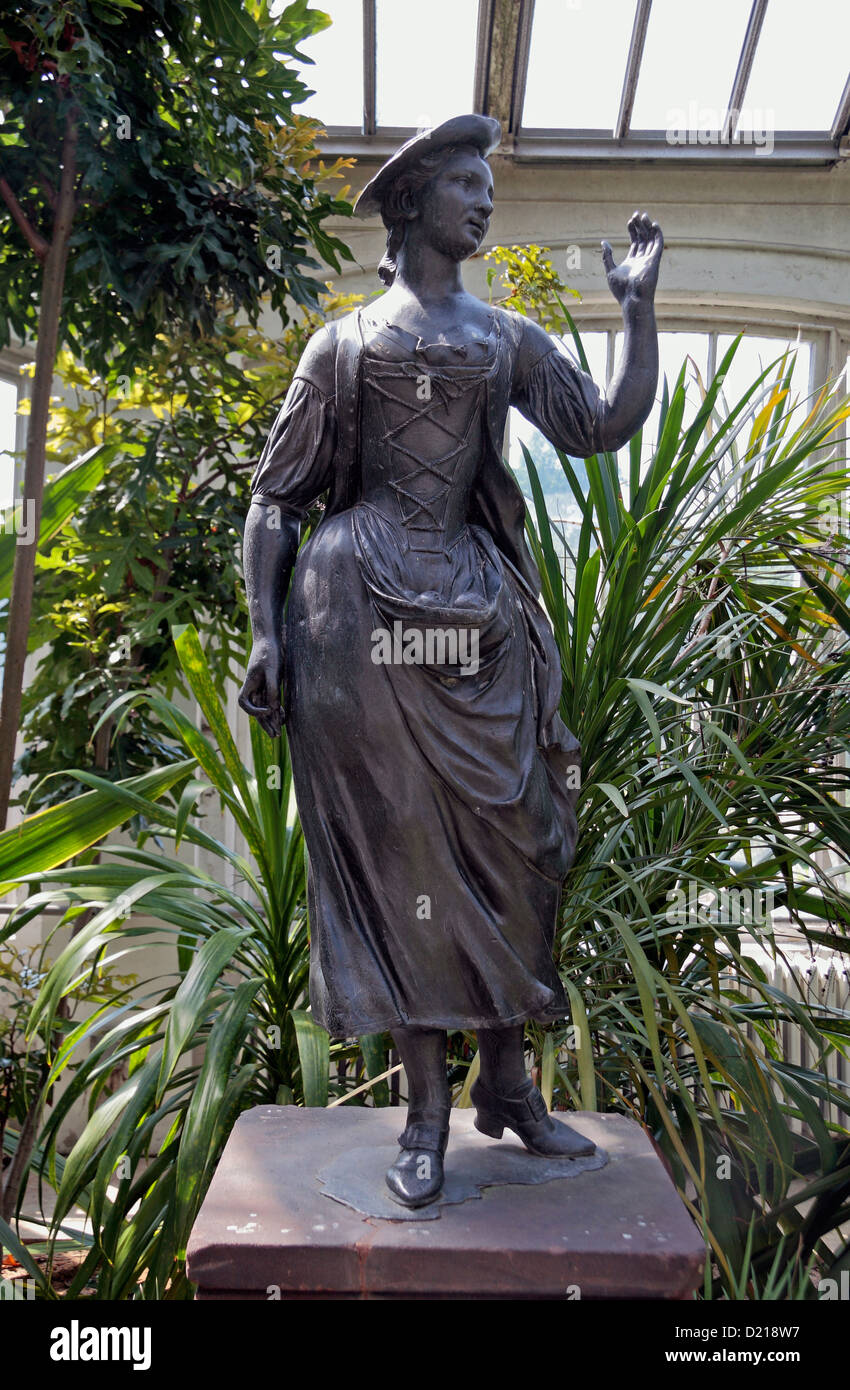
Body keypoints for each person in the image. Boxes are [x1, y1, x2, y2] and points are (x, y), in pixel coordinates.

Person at [238, 115, 662, 1207]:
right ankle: (426, 1110)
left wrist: (637, 310)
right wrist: (263, 632)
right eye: (465, 185)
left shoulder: (506, 338)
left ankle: (507, 1086)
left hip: (480, 625)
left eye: (489, 185)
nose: (484, 202)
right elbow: (274, 500)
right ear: (413, 200)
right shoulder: (342, 346)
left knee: (520, 836)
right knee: (404, 862)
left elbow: (603, 425)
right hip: (357, 620)